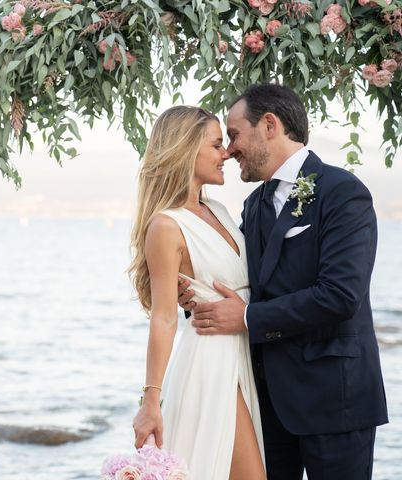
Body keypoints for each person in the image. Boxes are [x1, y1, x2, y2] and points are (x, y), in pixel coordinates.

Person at [178, 83, 388, 480]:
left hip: (335, 402)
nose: (230, 149)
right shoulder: (253, 206)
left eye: (235, 134)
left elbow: (340, 295)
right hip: (268, 403)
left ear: (269, 125)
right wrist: (194, 293)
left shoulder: (342, 192)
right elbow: (241, 282)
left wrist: (246, 318)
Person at [130, 105, 266, 480]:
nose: (226, 154)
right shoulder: (166, 225)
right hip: (210, 363)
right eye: (216, 144)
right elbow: (163, 316)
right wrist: (150, 400)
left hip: (241, 356)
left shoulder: (218, 210)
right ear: (186, 149)